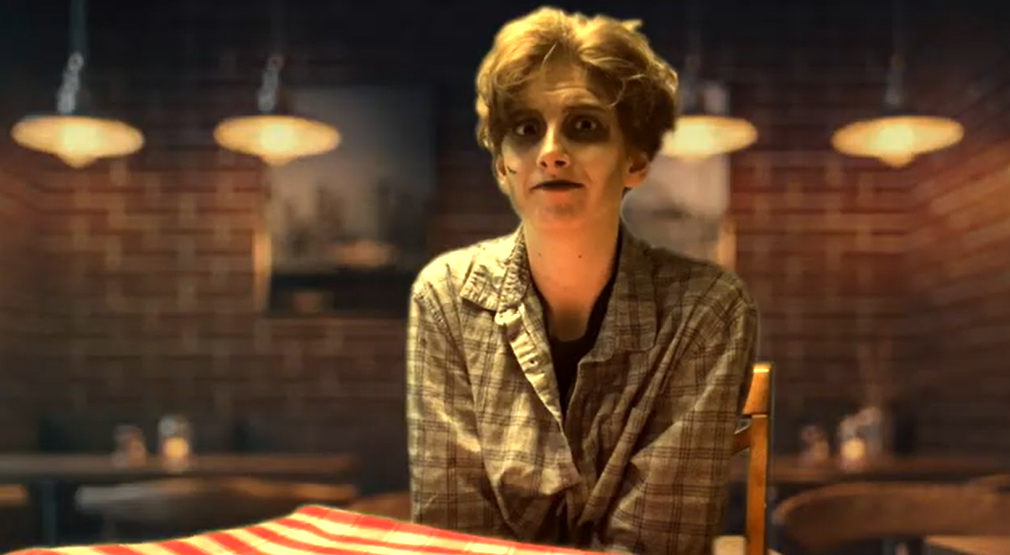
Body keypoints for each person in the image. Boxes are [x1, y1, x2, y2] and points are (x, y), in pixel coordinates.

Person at [405, 7, 759, 555]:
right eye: (526, 130)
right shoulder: (447, 297)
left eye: (584, 126)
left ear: (635, 160)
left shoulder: (706, 309)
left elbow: (656, 542)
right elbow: (456, 531)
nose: (551, 152)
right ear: (502, 165)